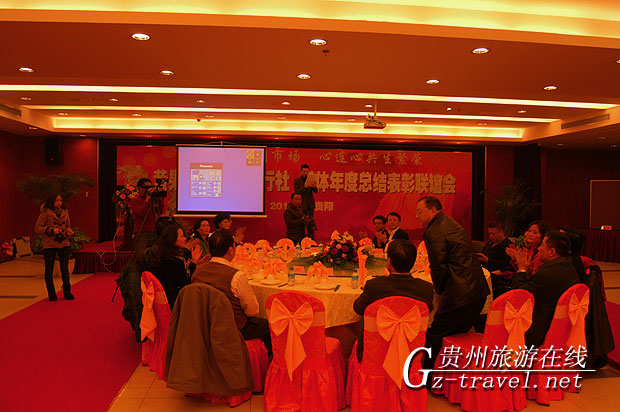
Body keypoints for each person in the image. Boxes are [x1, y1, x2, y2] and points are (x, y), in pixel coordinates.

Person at [415, 196, 489, 367]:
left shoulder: (434, 231)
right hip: (477, 291)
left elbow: (438, 266)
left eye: (420, 212)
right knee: (455, 334)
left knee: (435, 335)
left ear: (433, 210)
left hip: (461, 295)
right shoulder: (450, 224)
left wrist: (439, 291)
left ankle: (429, 376)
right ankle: (451, 372)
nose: (417, 216)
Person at [353, 239, 434, 362]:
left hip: (375, 352)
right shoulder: (426, 289)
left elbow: (358, 308)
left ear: (389, 262)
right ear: (413, 262)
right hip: (412, 351)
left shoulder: (374, 286)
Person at [192, 230, 271, 354]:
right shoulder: (236, 276)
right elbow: (252, 311)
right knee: (268, 326)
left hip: (205, 326)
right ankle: (267, 363)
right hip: (233, 328)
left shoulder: (198, 272)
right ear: (230, 250)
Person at [511, 231, 579, 347]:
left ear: (552, 252)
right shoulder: (567, 266)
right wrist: (529, 273)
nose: (538, 249)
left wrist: (521, 269)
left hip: (540, 327)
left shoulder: (548, 273)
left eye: (542, 245)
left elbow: (519, 295)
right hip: (562, 323)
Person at [145, 224, 201, 309]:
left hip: (159, 302)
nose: (185, 239)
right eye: (182, 236)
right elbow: (186, 285)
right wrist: (193, 263)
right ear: (172, 239)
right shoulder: (174, 261)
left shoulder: (160, 256)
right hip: (174, 304)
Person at [35, 194, 75, 301]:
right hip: (50, 244)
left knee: (65, 269)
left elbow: (67, 226)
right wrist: (51, 230)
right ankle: (51, 293)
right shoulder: (45, 213)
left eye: (60, 200)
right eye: (57, 200)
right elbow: (37, 228)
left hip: (64, 243)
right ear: (51, 201)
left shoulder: (65, 212)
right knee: (49, 270)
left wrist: (69, 231)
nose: (59, 202)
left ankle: (67, 292)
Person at [477, 221, 513, 298]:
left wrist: (488, 260)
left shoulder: (507, 245)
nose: (491, 236)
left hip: (496, 274)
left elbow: (505, 264)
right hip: (484, 269)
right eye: (490, 234)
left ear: (501, 232)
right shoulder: (489, 243)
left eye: (494, 234)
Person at [131, 178, 163, 257]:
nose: (147, 189)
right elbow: (142, 213)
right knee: (141, 257)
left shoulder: (153, 199)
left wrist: (159, 200)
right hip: (142, 232)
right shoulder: (135, 200)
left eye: (149, 187)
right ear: (139, 188)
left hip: (153, 231)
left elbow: (159, 211)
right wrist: (147, 199)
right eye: (145, 187)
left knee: (153, 256)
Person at [293, 164, 318, 239]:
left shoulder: (310, 179)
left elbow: (316, 191)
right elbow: (297, 192)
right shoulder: (297, 181)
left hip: (310, 205)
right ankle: (301, 241)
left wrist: (315, 187)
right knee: (301, 225)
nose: (305, 173)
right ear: (301, 171)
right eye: (304, 171)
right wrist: (305, 187)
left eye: (307, 171)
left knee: (310, 224)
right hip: (301, 205)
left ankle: (311, 240)